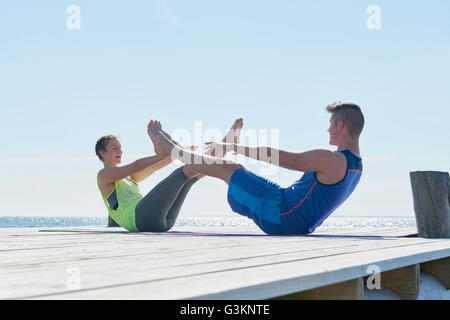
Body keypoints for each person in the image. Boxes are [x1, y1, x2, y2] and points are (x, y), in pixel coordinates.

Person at [147, 102, 364, 235]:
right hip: (288, 210)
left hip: (282, 216)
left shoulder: (333, 160)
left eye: (330, 123)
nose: (327, 129)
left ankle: (172, 150)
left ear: (340, 125)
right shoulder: (356, 164)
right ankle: (179, 149)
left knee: (229, 169)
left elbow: (279, 157)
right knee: (237, 170)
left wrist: (233, 147)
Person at [96, 118, 243, 232]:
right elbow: (135, 165)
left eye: (120, 148)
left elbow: (154, 167)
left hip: (162, 222)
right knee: (182, 173)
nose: (119, 151)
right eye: (114, 148)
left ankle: (225, 146)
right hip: (140, 218)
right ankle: (171, 145)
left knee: (191, 175)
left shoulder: (129, 179)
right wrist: (177, 152)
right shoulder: (104, 175)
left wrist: (178, 154)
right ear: (102, 153)